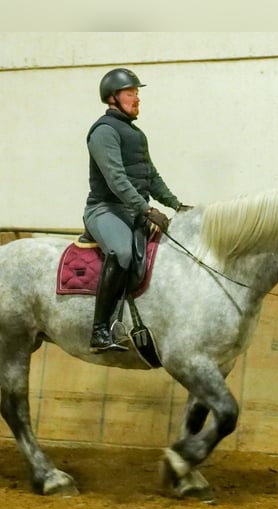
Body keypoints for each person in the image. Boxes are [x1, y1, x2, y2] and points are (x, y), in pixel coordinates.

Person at [83, 68, 192, 354]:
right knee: (122, 253)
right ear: (112, 98)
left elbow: (150, 176)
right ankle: (100, 330)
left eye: (137, 93)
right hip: (106, 209)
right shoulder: (103, 131)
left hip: (132, 210)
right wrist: (146, 209)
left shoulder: (135, 133)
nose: (137, 99)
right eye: (131, 93)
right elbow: (116, 180)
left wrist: (176, 204)